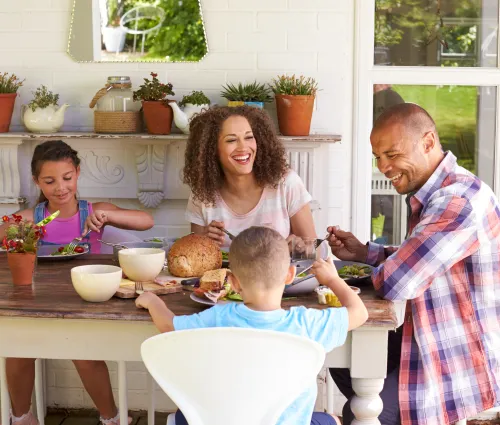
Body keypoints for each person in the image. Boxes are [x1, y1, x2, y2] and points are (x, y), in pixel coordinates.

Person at [327, 103, 500, 425]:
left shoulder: (456, 201)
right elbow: (428, 261)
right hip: (427, 333)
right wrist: (366, 253)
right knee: (342, 344)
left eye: (392, 155)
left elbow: (398, 282)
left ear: (428, 143)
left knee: (360, 410)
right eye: (378, 157)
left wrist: (335, 275)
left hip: (455, 357)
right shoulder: (438, 194)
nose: (383, 167)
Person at [136, 226, 369, 425]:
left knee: (183, 416)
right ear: (290, 275)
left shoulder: (218, 317)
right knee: (333, 420)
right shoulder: (306, 323)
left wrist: (152, 300)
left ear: (233, 283)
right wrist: (332, 279)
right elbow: (359, 313)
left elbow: (169, 326)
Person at [0, 140, 155, 425]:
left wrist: (108, 216)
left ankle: (112, 418)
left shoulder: (93, 211)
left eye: (67, 178)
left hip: (86, 302)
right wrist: (16, 235)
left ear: (78, 174)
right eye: (50, 180)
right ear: (37, 182)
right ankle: (20, 418)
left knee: (85, 355)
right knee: (19, 351)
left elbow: (146, 220)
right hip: (38, 305)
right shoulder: (31, 219)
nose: (60, 187)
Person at [183, 105, 317, 249]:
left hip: (278, 271)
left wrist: (299, 248)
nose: (243, 147)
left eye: (249, 137)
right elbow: (195, 258)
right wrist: (203, 240)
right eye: (231, 140)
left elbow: (314, 251)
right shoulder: (203, 193)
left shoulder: (286, 184)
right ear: (211, 149)